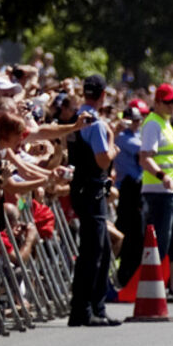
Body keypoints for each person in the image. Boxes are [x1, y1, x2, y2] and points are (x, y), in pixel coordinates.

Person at [66, 75, 121, 326]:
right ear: (102, 95)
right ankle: (84, 309)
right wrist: (112, 143)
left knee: (101, 249)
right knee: (93, 251)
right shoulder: (95, 124)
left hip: (80, 187)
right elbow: (103, 160)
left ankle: (96, 307)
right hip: (91, 189)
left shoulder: (77, 118)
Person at [139, 83, 173, 302]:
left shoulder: (166, 123)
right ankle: (156, 283)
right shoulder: (153, 124)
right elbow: (145, 157)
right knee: (163, 238)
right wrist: (162, 176)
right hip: (159, 190)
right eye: (167, 102)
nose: (172, 105)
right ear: (157, 103)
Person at [113, 105, 144, 290]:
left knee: (136, 235)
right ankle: (125, 274)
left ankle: (130, 273)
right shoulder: (124, 138)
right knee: (131, 234)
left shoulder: (134, 136)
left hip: (137, 187)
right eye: (133, 120)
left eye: (138, 120)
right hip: (128, 188)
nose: (136, 123)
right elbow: (145, 150)